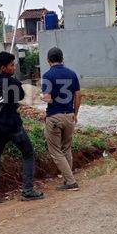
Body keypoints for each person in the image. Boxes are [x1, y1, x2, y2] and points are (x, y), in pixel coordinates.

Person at [0, 51, 44, 205]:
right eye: (12, 65)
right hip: (14, 128)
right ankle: (27, 191)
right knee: (28, 154)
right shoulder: (12, 83)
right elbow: (19, 96)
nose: (14, 67)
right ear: (3, 67)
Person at [41, 47, 81, 190]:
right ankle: (67, 180)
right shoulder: (72, 74)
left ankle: (70, 182)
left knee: (56, 151)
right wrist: (75, 113)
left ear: (48, 60)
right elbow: (78, 95)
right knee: (66, 148)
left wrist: (42, 97)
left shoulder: (47, 76)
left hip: (54, 117)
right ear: (62, 59)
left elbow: (47, 98)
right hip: (69, 115)